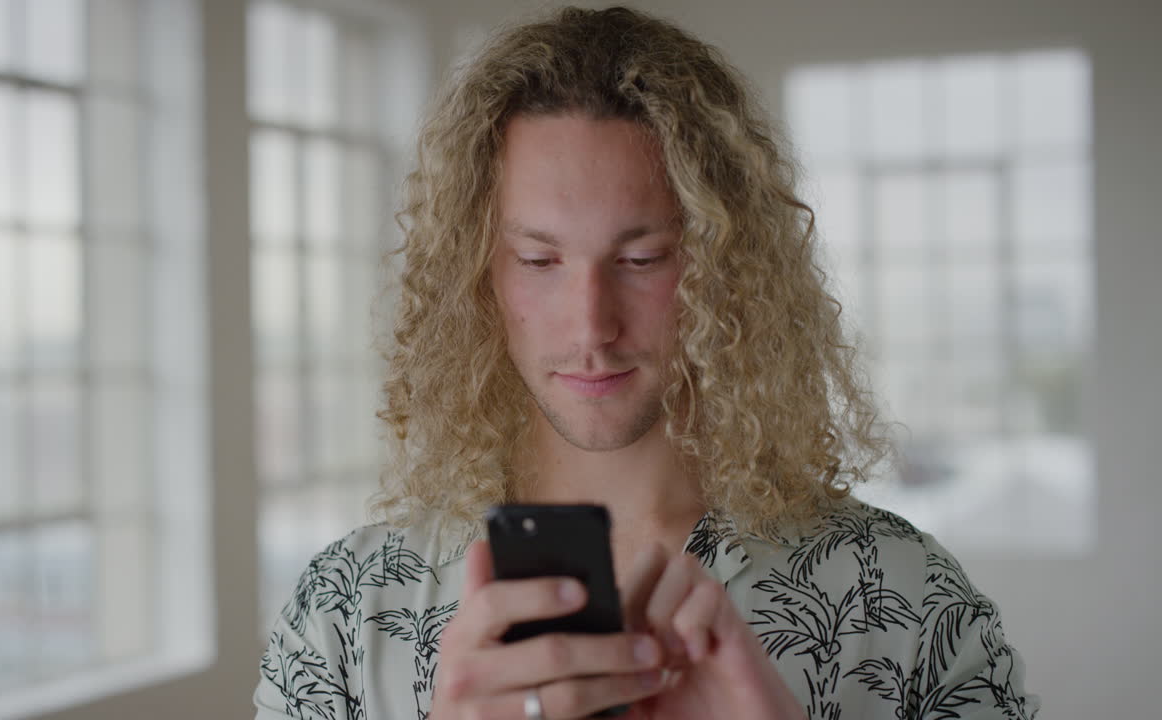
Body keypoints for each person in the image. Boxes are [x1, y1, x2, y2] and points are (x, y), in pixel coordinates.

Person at [253, 6, 1038, 719]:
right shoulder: (344, 616)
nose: (591, 324)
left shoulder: (904, 604)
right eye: (538, 259)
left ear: (726, 271)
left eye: (642, 258)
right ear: (476, 275)